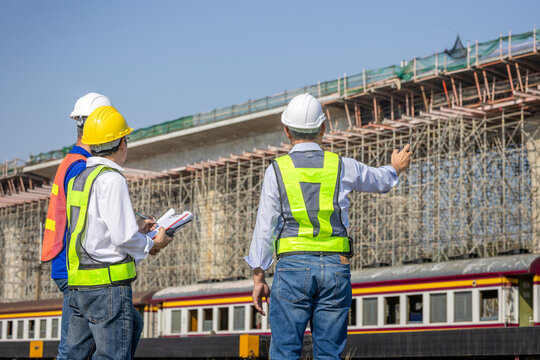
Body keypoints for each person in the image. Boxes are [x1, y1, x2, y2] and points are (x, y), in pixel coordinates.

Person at [245, 93, 412, 359]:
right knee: (329, 354)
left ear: (286, 130)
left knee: (285, 351)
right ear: (323, 128)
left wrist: (258, 277)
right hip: (336, 270)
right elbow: (379, 180)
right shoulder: (342, 166)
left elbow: (265, 227)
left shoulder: (277, 170)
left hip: (292, 270)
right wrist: (395, 168)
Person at [64, 105, 172, 360]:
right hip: (107, 286)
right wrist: (154, 241)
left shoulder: (81, 178)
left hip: (80, 286)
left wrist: (137, 227)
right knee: (113, 355)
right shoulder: (112, 178)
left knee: (78, 354)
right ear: (121, 143)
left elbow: (95, 228)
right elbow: (122, 238)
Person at [41, 92, 113, 360]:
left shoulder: (73, 160)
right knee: (74, 351)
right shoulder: (81, 165)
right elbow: (86, 221)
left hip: (67, 266)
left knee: (81, 346)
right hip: (75, 269)